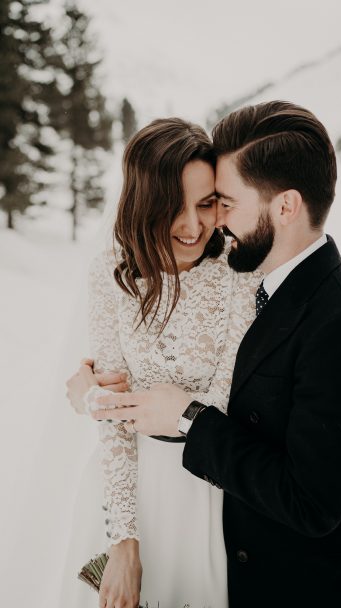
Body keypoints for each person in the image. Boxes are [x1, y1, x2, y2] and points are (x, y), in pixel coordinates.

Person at [90, 101, 341, 608]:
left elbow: (311, 503)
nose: (217, 223)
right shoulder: (268, 280)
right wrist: (89, 387)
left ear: (285, 206)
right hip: (234, 554)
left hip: (314, 588)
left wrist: (186, 416)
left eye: (224, 202)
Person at [66, 116, 264, 608]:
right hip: (123, 492)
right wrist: (123, 542)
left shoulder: (239, 273)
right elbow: (111, 416)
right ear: (143, 203)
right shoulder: (110, 272)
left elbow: (227, 396)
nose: (193, 226)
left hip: (207, 494)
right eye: (174, 207)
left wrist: (112, 401)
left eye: (205, 204)